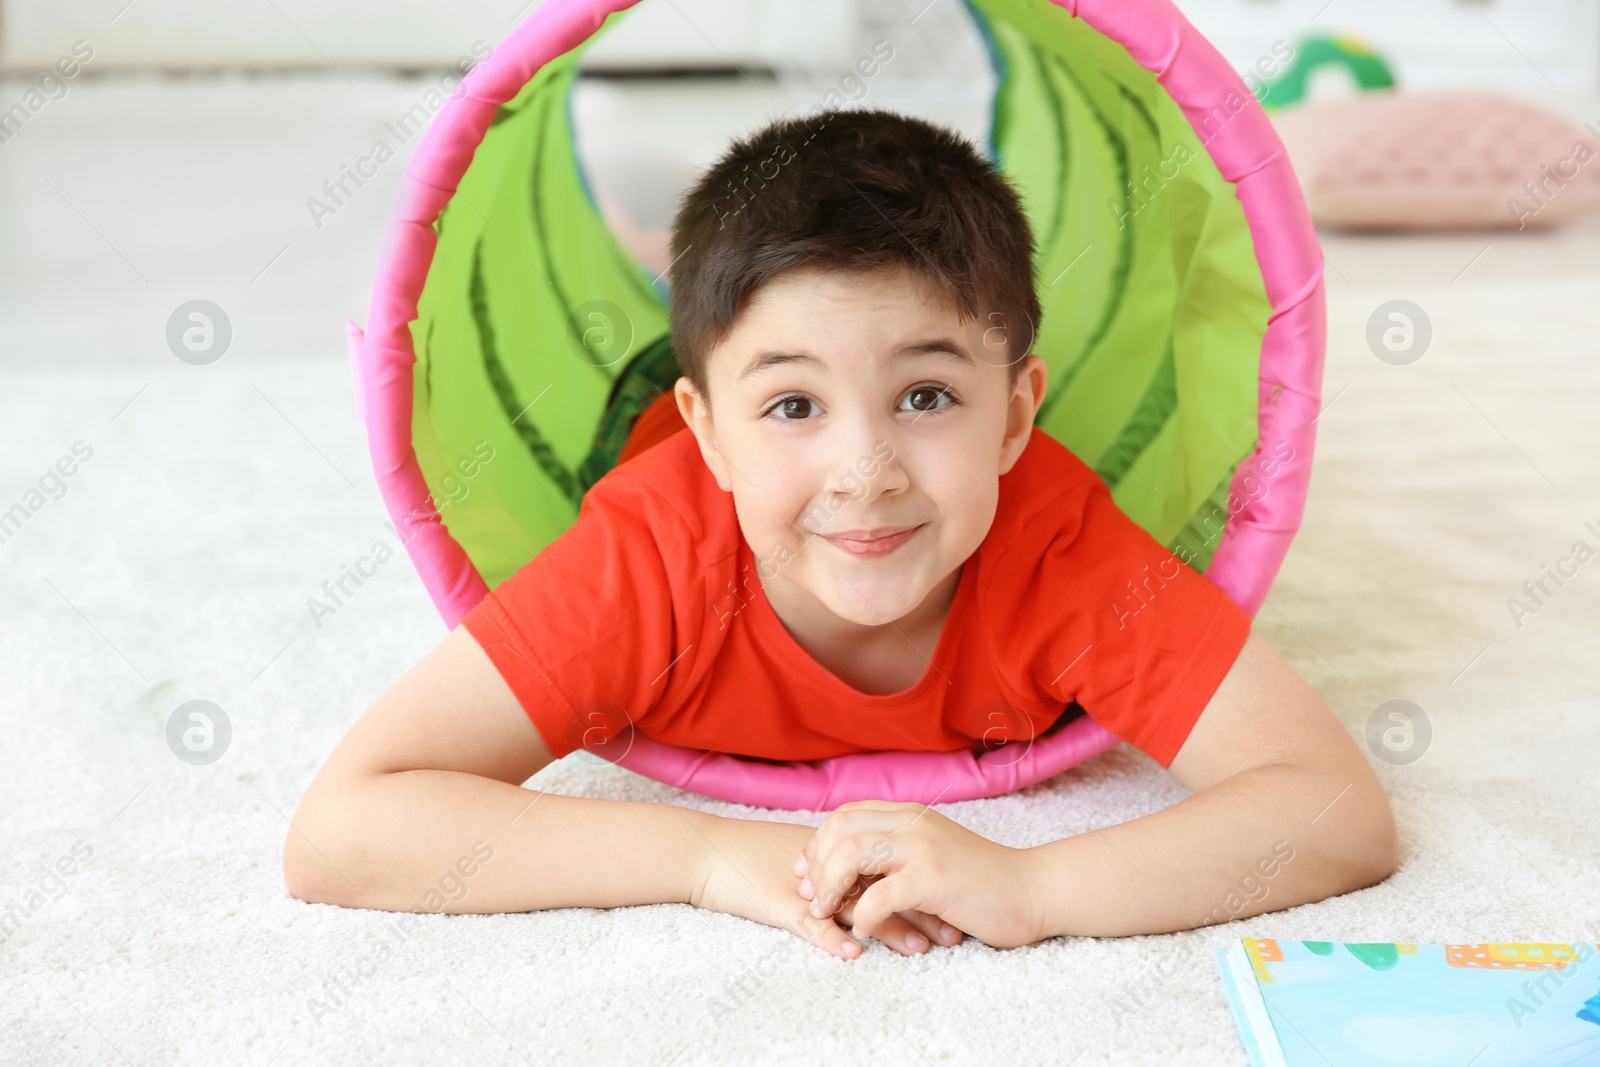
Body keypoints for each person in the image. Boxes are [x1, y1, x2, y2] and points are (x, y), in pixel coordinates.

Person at [283, 107, 1395, 960]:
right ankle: (654, 277)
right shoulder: (646, 560)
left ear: (1014, 414)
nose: (865, 475)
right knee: (663, 371)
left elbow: (1332, 807)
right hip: (643, 436)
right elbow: (342, 828)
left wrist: (1032, 887)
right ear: (709, 436)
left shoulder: (1059, 549)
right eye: (795, 404)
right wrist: (708, 853)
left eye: (926, 396)